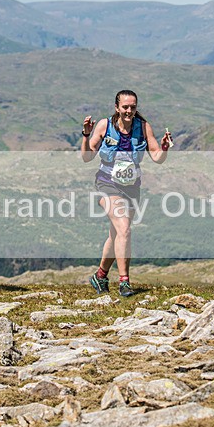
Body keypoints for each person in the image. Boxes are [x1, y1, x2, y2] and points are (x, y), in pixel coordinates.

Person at [81, 90, 172, 297]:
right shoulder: (104, 126)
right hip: (107, 183)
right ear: (117, 108)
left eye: (132, 107)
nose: (129, 111)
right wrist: (86, 135)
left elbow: (157, 157)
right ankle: (124, 282)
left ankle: (100, 275)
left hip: (131, 187)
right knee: (124, 229)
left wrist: (165, 147)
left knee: (117, 235)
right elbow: (87, 157)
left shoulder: (143, 127)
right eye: (125, 107)